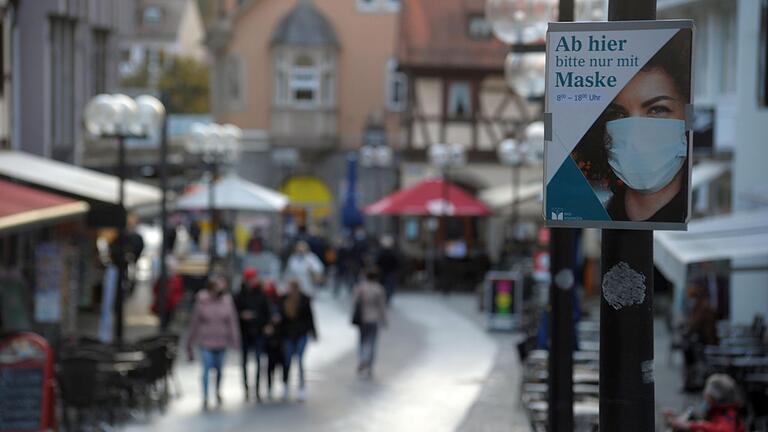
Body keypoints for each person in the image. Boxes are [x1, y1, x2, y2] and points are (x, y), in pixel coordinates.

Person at [571, 31, 691, 223]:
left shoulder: (691, 220)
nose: (635, 133)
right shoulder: (603, 214)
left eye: (657, 109)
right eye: (619, 114)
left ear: (688, 116)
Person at [186, 276, 241, 410]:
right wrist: (189, 342)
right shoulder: (202, 301)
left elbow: (232, 322)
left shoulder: (227, 301)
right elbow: (194, 323)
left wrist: (235, 339)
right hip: (206, 340)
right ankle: (205, 396)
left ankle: (217, 391)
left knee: (219, 369)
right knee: (206, 368)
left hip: (221, 340)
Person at [234, 268, 272, 402]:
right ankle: (246, 389)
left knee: (258, 361)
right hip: (244, 332)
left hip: (257, 332)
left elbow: (267, 313)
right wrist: (242, 316)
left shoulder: (261, 294)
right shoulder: (239, 295)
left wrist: (263, 323)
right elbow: (234, 313)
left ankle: (256, 389)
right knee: (244, 362)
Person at [664, 374, 745, 431]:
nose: (705, 400)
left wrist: (691, 426)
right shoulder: (718, 412)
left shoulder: (729, 414)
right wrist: (678, 418)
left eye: (708, 398)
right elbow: (708, 422)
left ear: (716, 399)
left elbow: (724, 429)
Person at [279, 279, 317, 401]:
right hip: (288, 334)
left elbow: (310, 317)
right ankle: (285, 385)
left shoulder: (304, 300)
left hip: (301, 333)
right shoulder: (284, 299)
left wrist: (313, 332)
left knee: (300, 361)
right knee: (287, 360)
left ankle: (301, 388)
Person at [351, 269, 388, 377]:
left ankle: (362, 358)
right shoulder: (379, 289)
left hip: (362, 318)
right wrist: (385, 320)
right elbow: (382, 307)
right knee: (372, 342)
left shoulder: (360, 288)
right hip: (374, 319)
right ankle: (369, 364)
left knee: (362, 341)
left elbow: (354, 302)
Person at [682, 283, 719, 391]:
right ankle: (691, 380)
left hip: (707, 342)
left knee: (689, 350)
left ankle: (692, 381)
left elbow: (695, 325)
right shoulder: (700, 306)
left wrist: (687, 329)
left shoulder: (703, 307)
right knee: (688, 349)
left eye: (692, 297)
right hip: (704, 340)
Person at [262, 280, 284, 400]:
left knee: (281, 362)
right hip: (269, 339)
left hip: (280, 337)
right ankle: (270, 386)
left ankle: (283, 383)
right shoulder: (265, 302)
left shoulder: (279, 301)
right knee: (270, 363)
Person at [151, 258, 185, 331]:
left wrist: (176, 300)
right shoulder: (162, 278)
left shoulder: (177, 279)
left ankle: (165, 329)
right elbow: (155, 289)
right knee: (163, 319)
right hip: (163, 303)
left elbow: (179, 291)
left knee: (169, 318)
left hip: (171, 304)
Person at [375, 235, 401, 304]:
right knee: (383, 287)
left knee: (390, 287)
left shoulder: (394, 252)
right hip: (382, 273)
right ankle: (383, 298)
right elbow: (377, 262)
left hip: (390, 273)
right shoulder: (380, 252)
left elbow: (397, 262)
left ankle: (387, 299)